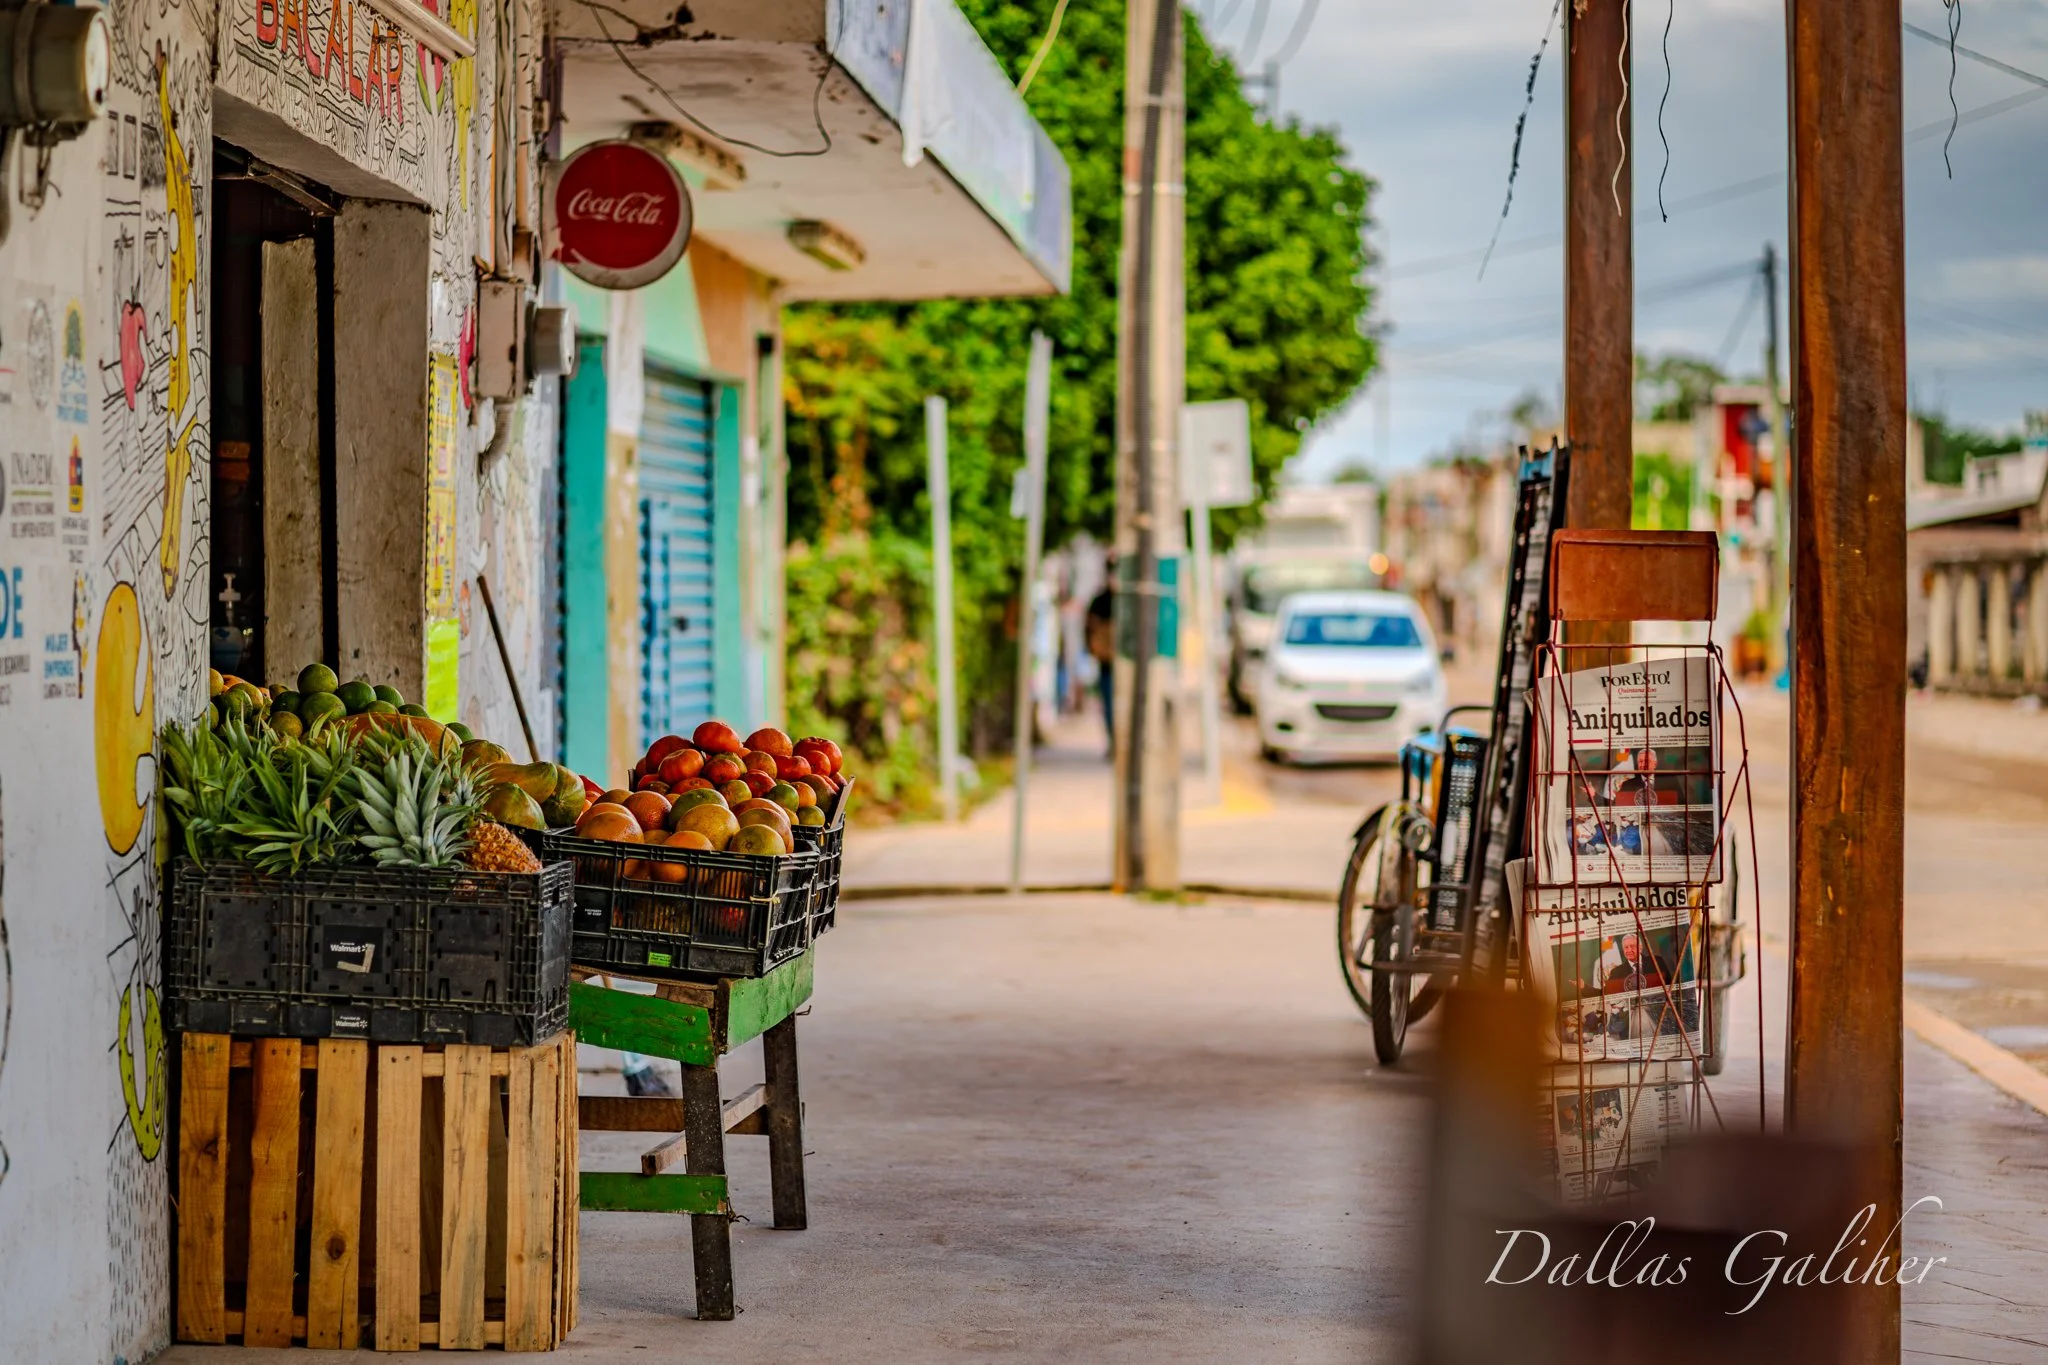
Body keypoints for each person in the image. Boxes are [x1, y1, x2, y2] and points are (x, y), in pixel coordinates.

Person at [1086, 563, 1117, 755]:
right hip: (1106, 663)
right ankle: (1113, 739)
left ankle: (1116, 740)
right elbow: (1089, 628)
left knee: (1112, 703)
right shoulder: (1101, 601)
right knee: (1108, 703)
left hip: (1111, 662)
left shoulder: (1102, 600)